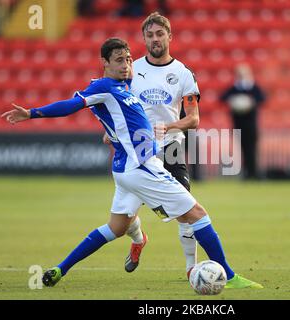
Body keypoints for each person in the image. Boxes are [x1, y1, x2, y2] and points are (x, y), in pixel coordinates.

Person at [1, 37, 262, 289]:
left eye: (127, 59)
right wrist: (33, 113)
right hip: (141, 167)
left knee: (115, 228)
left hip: (126, 169)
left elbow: (120, 120)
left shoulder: (124, 88)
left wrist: (114, 133)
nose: (126, 65)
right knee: (197, 214)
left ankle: (61, 269)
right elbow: (71, 105)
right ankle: (228, 276)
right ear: (105, 63)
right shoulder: (103, 87)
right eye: (118, 60)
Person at [103, 12, 200, 279]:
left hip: (171, 148)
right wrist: (111, 131)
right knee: (123, 221)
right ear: (144, 38)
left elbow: (193, 119)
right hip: (137, 151)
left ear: (170, 36)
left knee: (187, 210)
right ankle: (138, 240)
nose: (155, 39)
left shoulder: (183, 73)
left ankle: (191, 267)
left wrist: (169, 127)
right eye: (149, 35)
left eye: (160, 34)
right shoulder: (131, 71)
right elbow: (115, 104)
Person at [220, 63, 266, 180]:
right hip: (238, 124)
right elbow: (222, 98)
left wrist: (250, 101)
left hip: (251, 124)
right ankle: (247, 173)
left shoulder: (253, 87)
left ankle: (254, 172)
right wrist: (233, 101)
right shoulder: (234, 88)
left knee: (252, 148)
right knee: (243, 148)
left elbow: (263, 98)